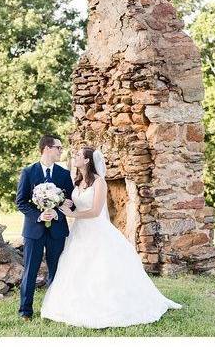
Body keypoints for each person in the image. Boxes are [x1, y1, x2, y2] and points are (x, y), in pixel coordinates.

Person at [39, 146, 182, 328]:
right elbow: (77, 205)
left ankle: (109, 305)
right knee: (76, 266)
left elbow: (95, 211)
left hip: (96, 230)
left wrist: (72, 215)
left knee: (101, 267)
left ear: (87, 160)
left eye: (78, 155)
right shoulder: (77, 181)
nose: (74, 157)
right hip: (79, 232)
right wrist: (63, 203)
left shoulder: (99, 182)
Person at [15, 134, 76, 320]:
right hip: (34, 231)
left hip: (57, 230)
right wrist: (39, 215)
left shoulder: (64, 174)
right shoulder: (28, 172)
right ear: (47, 148)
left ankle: (54, 310)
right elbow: (21, 202)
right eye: (58, 147)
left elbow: (71, 201)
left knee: (56, 271)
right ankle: (26, 311)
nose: (61, 151)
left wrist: (58, 211)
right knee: (30, 271)